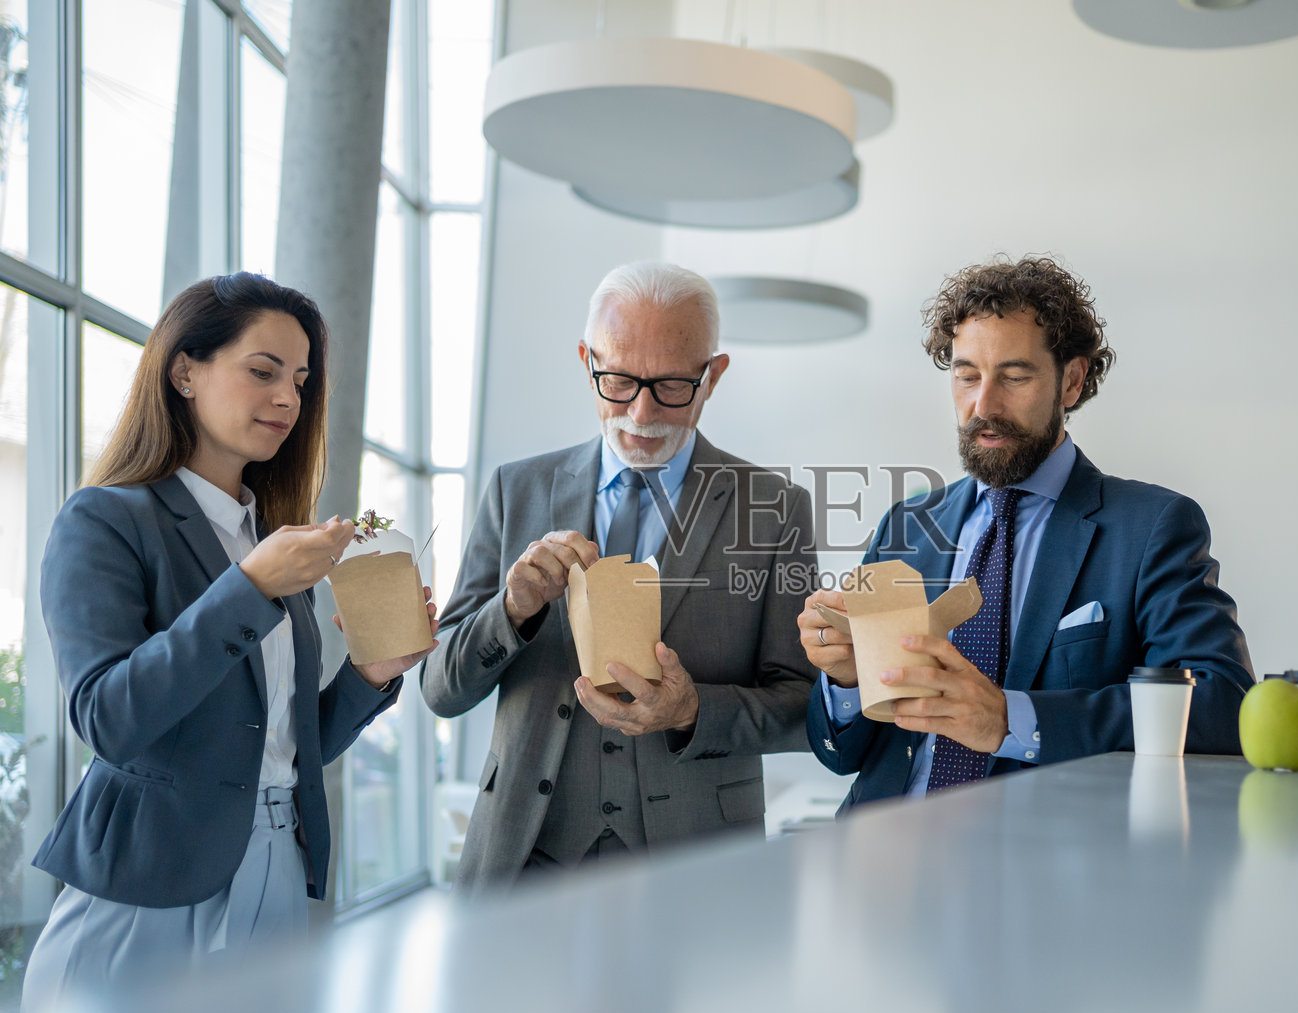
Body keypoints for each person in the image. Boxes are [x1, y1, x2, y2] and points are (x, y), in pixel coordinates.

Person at [22, 274, 437, 1008]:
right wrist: (248, 588)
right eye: (263, 371)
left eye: (300, 381)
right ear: (185, 371)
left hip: (278, 870)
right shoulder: (106, 519)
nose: (288, 399)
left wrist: (370, 675)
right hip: (148, 876)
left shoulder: (270, 540)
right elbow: (108, 718)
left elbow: (275, 745)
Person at [799, 256, 1253, 807]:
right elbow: (841, 756)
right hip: (882, 841)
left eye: (1014, 377)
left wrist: (1010, 718)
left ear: (1072, 381)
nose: (983, 405)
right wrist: (846, 682)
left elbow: (1223, 705)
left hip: (1040, 847)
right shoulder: (907, 525)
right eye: (967, 376)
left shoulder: (1152, 526)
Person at [421, 261, 815, 888]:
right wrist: (512, 610)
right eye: (620, 381)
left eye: (672, 386)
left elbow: (805, 706)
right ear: (587, 363)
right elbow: (441, 691)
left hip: (698, 868)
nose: (641, 411)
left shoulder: (776, 508)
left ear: (713, 376)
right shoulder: (514, 491)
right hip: (523, 860)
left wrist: (693, 711)